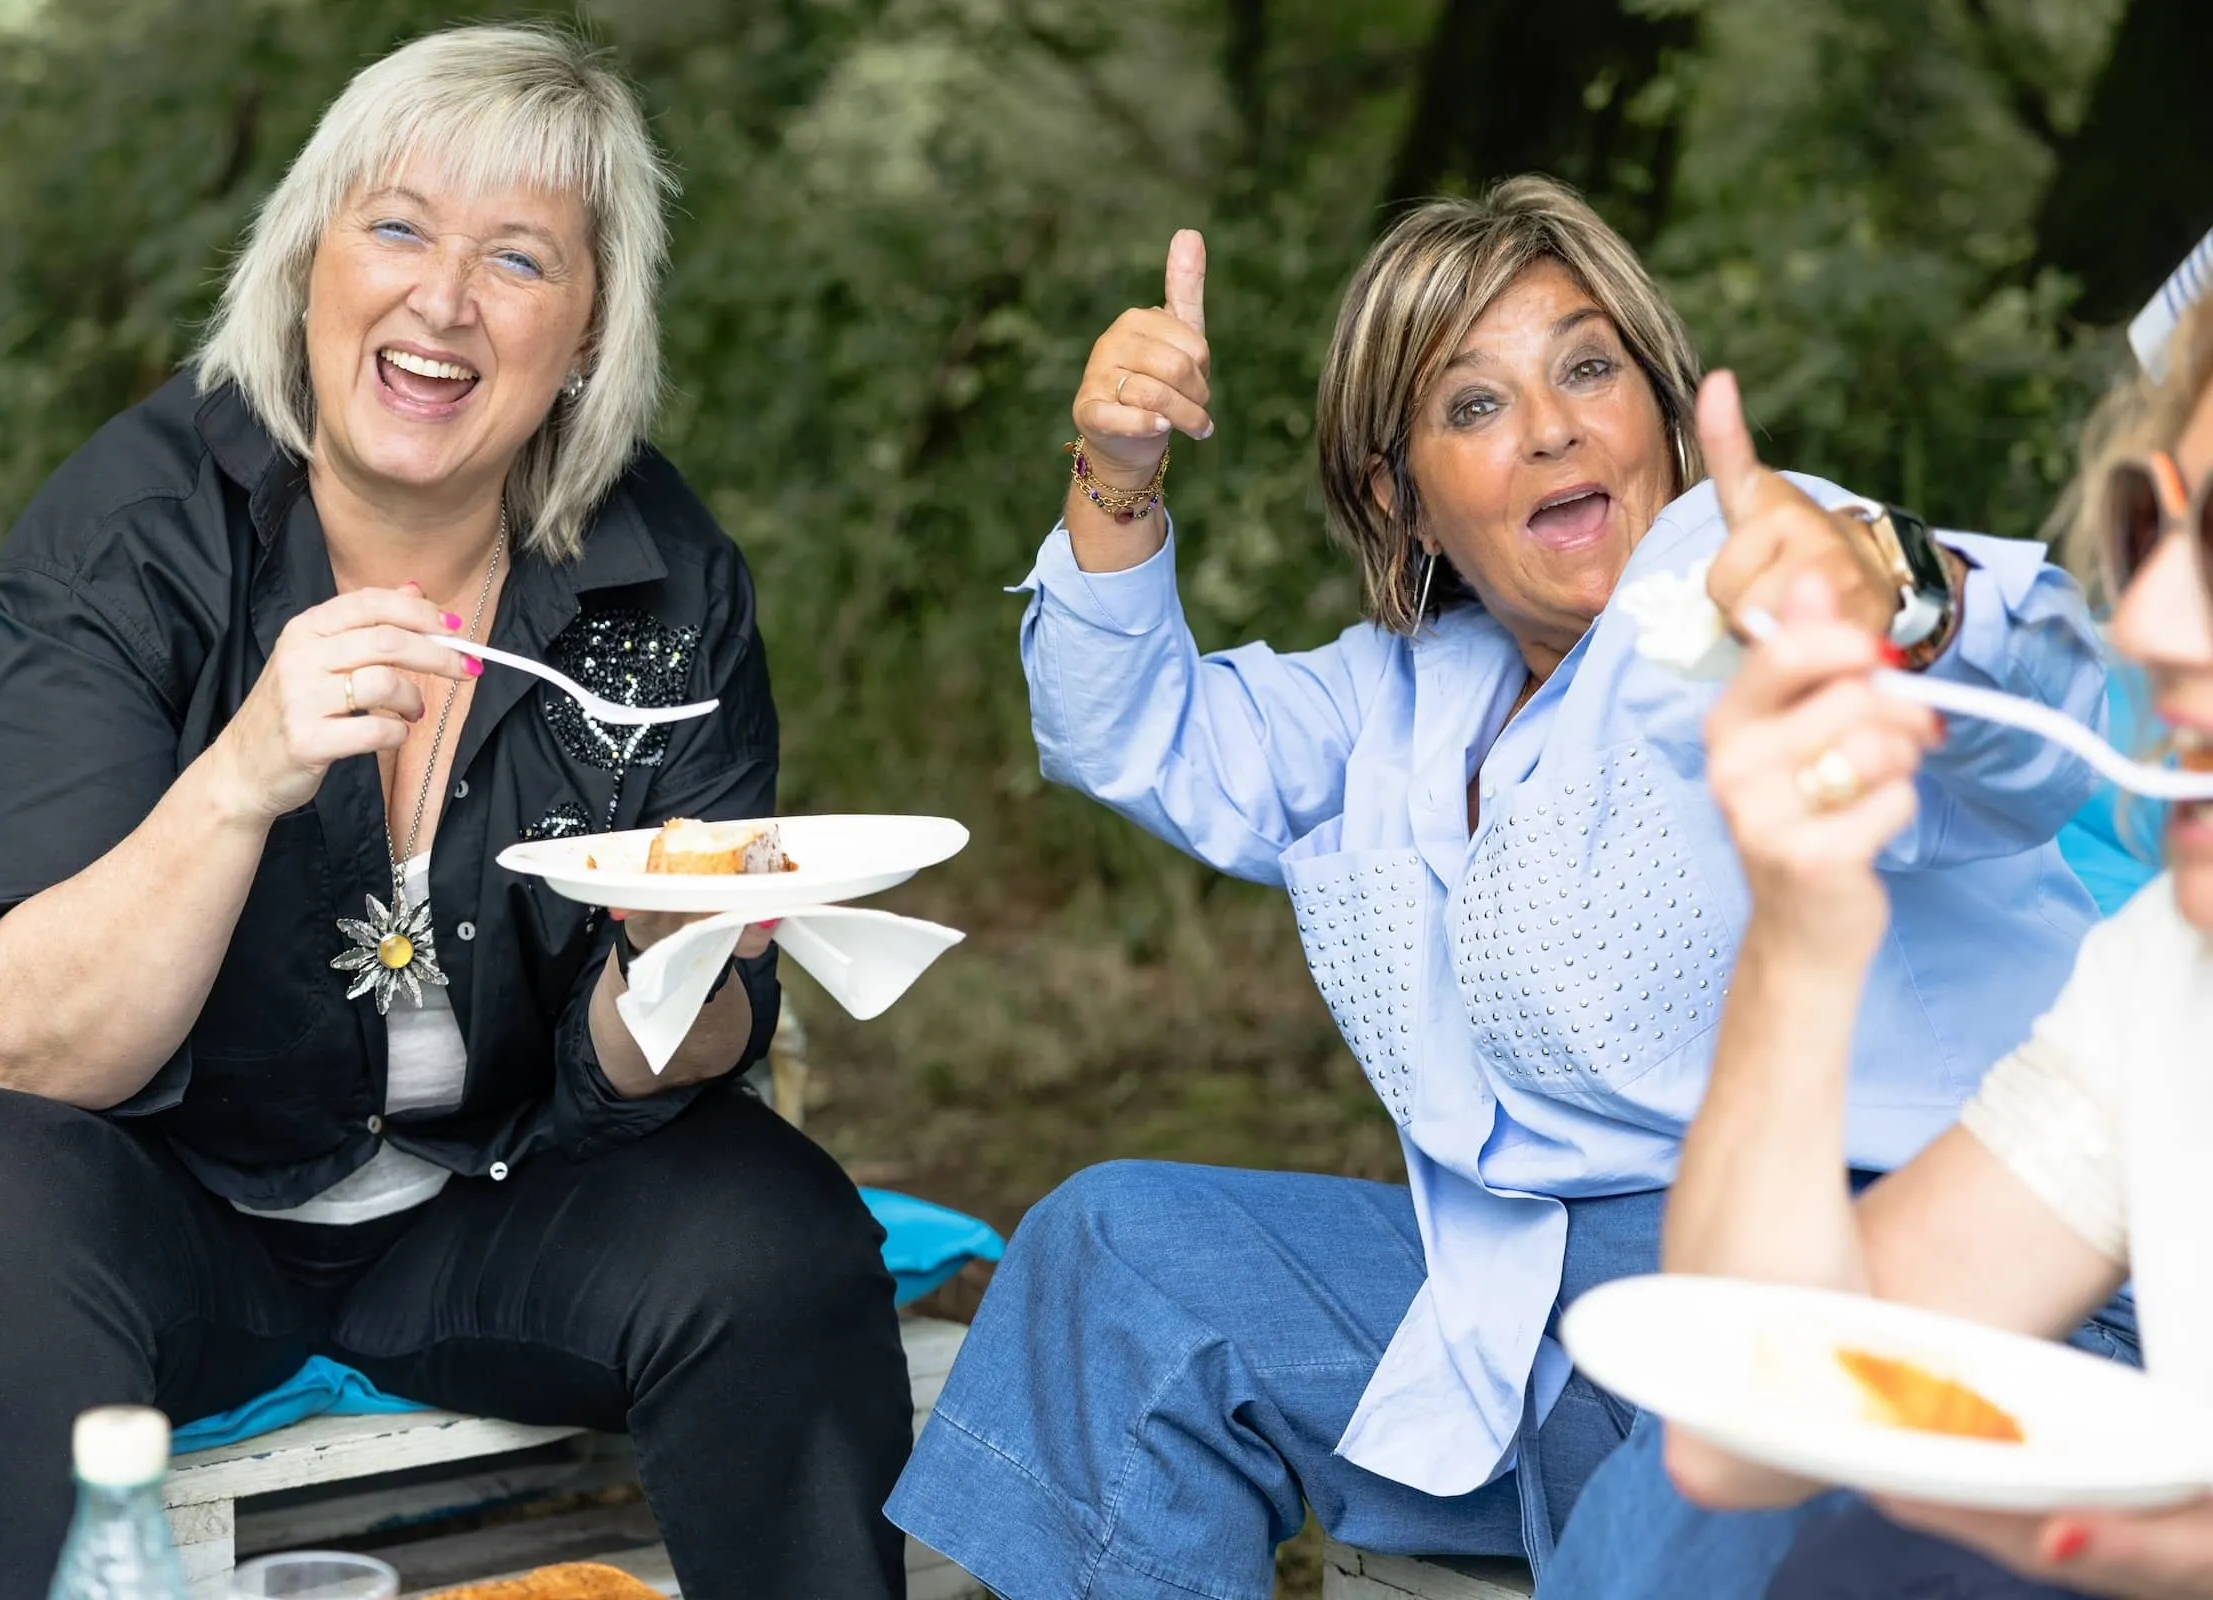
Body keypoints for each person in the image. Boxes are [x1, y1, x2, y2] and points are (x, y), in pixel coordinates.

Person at [885, 176, 2126, 1597]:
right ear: (1397, 498)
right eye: (1474, 406)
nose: (1551, 426)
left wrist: (1909, 593)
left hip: (1909, 1292)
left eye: (1589, 368)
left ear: (1663, 415)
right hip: (1532, 1322)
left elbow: (2027, 735)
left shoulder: (1749, 590)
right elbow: (1128, 733)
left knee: (1690, 1498)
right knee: (1124, 1259)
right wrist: (1117, 467)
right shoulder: (1404, 697)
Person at [0, 25, 908, 1600]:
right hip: (150, 1201)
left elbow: (671, 1061)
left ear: (588, 330)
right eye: (396, 227)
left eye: (519, 260)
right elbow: (41, 1051)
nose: (444, 300)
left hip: (494, 1205)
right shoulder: (131, 535)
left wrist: (675, 962)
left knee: (777, 1234)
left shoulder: (660, 580)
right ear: (306, 266)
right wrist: (245, 771)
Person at [1535, 286, 2213, 1599]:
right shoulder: (2162, 984)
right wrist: (1800, 918)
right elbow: (1750, 1437)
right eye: (2153, 528)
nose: (2148, 622)